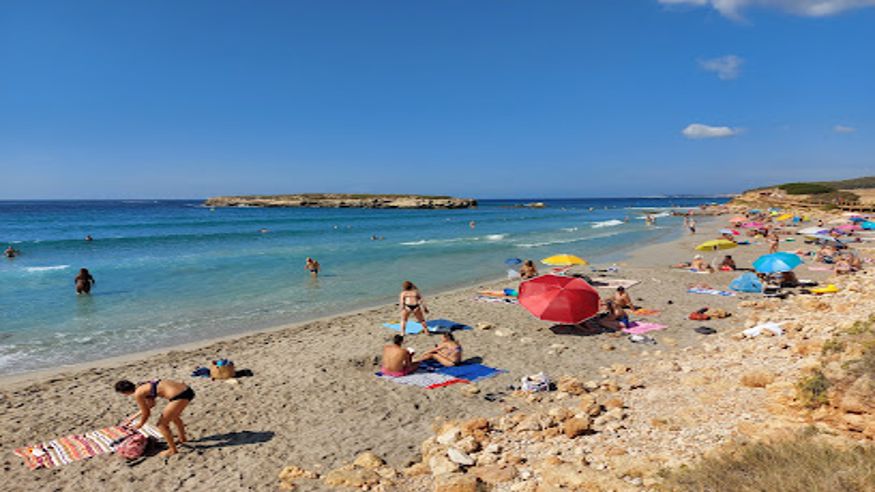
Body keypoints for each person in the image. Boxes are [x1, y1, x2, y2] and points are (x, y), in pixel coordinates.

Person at [115, 379, 195, 457]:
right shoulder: (142, 385)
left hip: (179, 396)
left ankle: (172, 450)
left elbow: (146, 413)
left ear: (124, 392)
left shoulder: (138, 394)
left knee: (161, 425)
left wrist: (140, 424)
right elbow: (151, 404)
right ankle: (182, 438)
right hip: (186, 390)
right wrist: (132, 417)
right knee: (174, 417)